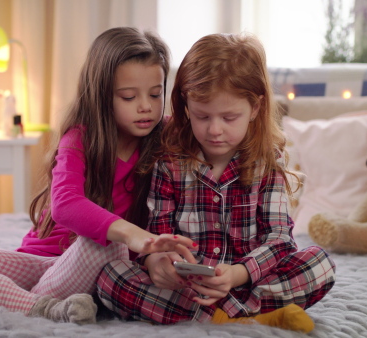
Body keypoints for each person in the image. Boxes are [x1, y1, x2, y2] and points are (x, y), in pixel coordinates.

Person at [0, 27, 197, 325]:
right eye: (129, 96)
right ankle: (36, 304)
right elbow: (65, 204)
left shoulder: (168, 138)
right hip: (35, 262)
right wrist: (135, 234)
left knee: (106, 243)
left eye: (155, 94)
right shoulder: (80, 137)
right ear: (102, 96)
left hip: (90, 266)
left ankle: (10, 300)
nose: (145, 106)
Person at [96, 33, 336, 333]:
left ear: (256, 109)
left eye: (229, 117)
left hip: (248, 279)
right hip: (188, 287)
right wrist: (157, 260)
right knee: (110, 276)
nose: (214, 130)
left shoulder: (267, 160)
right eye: (202, 116)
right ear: (186, 107)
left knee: (319, 264)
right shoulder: (169, 162)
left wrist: (237, 274)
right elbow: (159, 233)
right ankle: (247, 318)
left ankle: (215, 316)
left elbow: (279, 240)